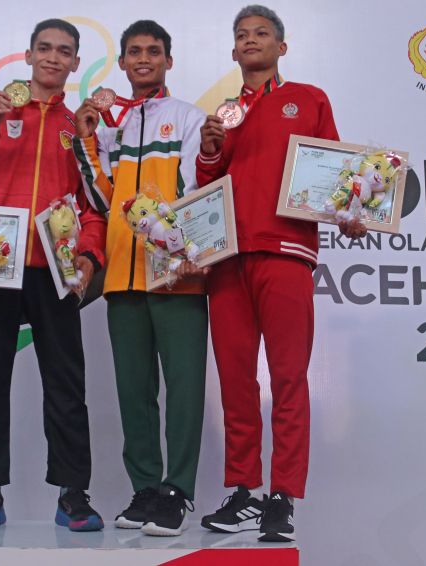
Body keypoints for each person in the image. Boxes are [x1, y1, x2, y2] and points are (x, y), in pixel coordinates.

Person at [195, 4, 367, 542]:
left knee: (289, 378)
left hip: (287, 252)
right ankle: (244, 490)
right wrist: (206, 151)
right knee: (235, 380)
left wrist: (352, 210)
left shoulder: (309, 99)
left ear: (281, 47)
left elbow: (335, 171)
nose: (250, 41)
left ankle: (282, 496)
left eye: (261, 34)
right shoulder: (223, 113)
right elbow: (207, 183)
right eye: (241, 35)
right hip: (226, 259)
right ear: (232, 51)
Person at [0, 18, 106, 532]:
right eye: (44, 48)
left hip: (57, 269)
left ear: (73, 63)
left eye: (63, 51)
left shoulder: (78, 127)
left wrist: (88, 256)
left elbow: (93, 206)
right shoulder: (1, 112)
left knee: (66, 383)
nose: (52, 57)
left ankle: (73, 494)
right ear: (27, 55)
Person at [74, 20, 207, 537]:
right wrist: (86, 140)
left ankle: (178, 491)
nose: (144, 59)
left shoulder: (189, 118)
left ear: (168, 61)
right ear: (123, 64)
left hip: (177, 277)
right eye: (135, 52)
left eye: (154, 51)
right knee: (133, 391)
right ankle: (146, 489)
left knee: (185, 389)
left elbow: (199, 190)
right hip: (122, 278)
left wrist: (184, 252)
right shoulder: (110, 127)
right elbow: (102, 200)